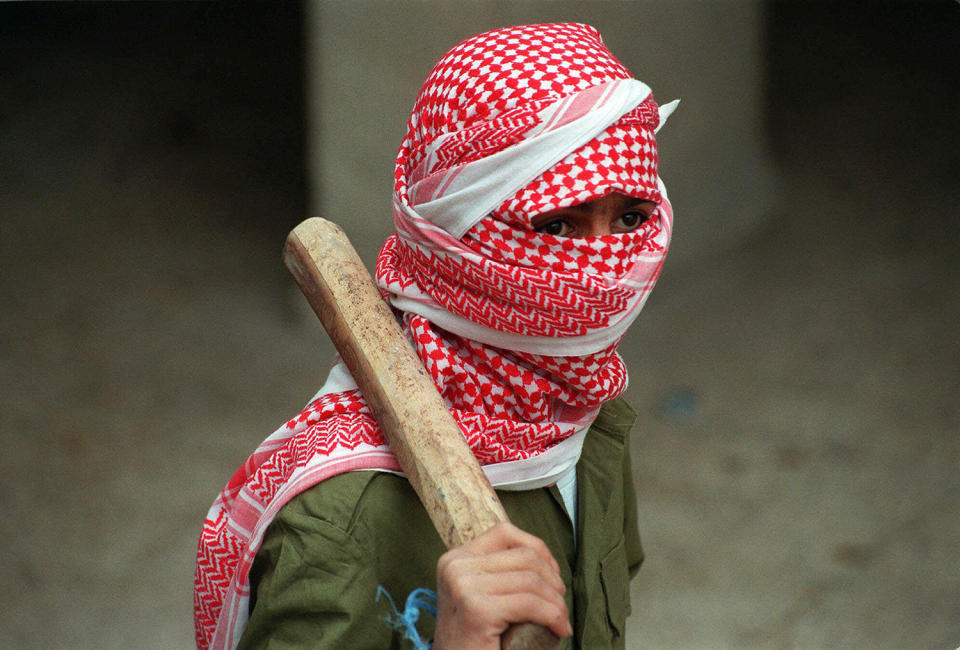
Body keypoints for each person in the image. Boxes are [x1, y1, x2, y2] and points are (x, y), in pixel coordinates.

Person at [194, 22, 677, 649]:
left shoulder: (585, 409)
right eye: (557, 225)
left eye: (632, 218)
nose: (605, 266)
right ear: (453, 236)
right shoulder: (341, 520)